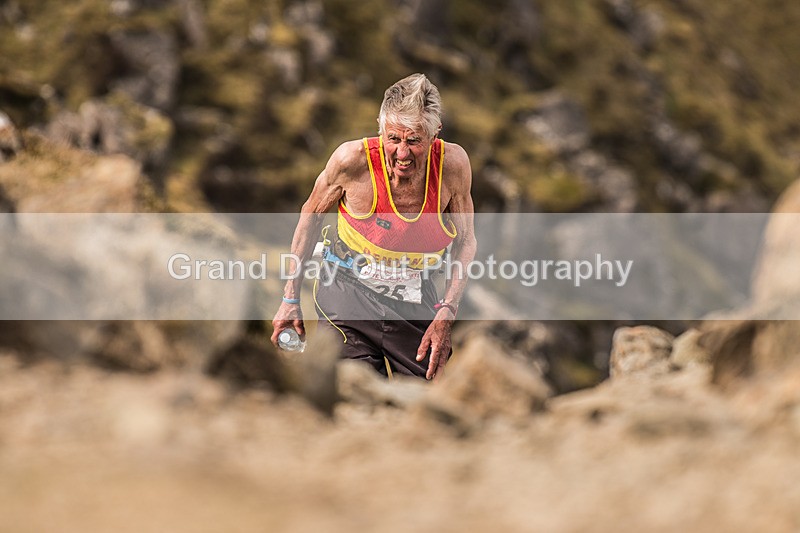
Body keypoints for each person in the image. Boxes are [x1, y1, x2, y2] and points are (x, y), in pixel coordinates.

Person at [271, 73, 476, 381]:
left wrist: (447, 312)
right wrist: (290, 299)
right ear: (380, 129)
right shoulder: (351, 161)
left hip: (413, 296)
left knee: (428, 397)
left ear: (435, 135)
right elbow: (310, 217)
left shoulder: (452, 166)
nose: (402, 153)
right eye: (393, 139)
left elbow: (466, 242)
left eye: (414, 141)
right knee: (352, 388)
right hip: (346, 291)